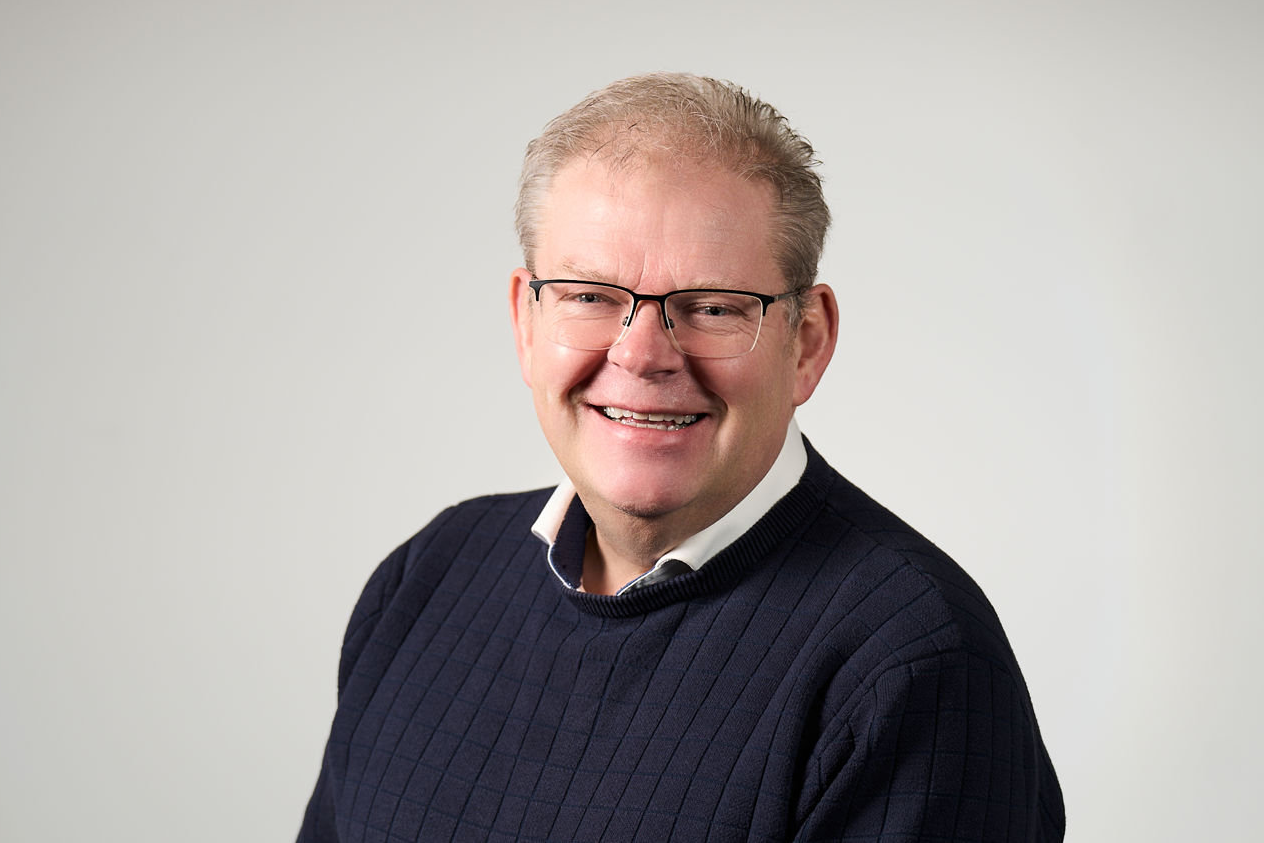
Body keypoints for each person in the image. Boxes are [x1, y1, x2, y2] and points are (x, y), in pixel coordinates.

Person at [298, 73, 1064, 842]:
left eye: (712, 307)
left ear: (806, 343)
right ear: (526, 323)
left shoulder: (910, 663)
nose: (642, 354)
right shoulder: (427, 580)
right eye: (589, 296)